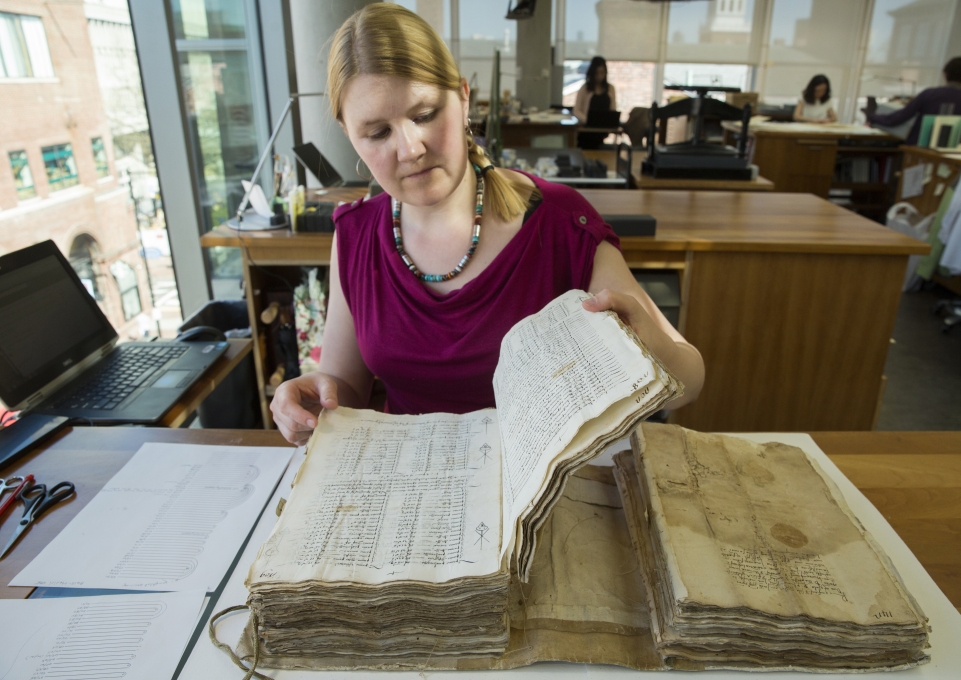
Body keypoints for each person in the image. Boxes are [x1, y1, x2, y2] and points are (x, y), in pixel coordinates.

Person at [270, 4, 704, 445]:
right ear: (350, 136)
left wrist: (649, 345)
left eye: (423, 115)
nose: (410, 147)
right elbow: (346, 390)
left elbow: (690, 378)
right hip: (409, 486)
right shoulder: (355, 236)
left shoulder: (559, 222)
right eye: (378, 133)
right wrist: (312, 400)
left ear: (462, 98)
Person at [864, 57, 961, 145]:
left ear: (945, 74)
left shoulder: (929, 94)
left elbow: (899, 118)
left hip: (918, 150)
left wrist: (873, 117)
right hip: (952, 156)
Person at [573, 56, 617, 124]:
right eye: (597, 73)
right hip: (587, 128)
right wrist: (587, 120)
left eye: (602, 73)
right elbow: (576, 110)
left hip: (604, 127)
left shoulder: (610, 88)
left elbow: (613, 110)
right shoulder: (585, 88)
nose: (599, 76)